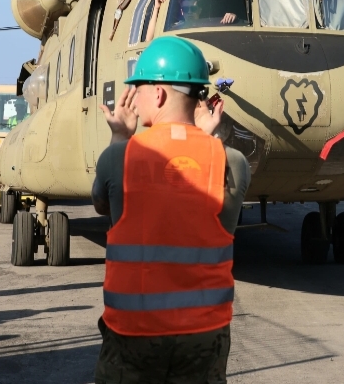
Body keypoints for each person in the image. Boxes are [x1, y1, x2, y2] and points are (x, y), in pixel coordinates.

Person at [92, 36, 251, 383]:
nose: (133, 97)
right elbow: (220, 220)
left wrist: (120, 136)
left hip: (134, 333)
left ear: (159, 94)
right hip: (204, 333)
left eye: (139, 88)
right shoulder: (232, 162)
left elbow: (105, 206)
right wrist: (208, 139)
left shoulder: (118, 158)